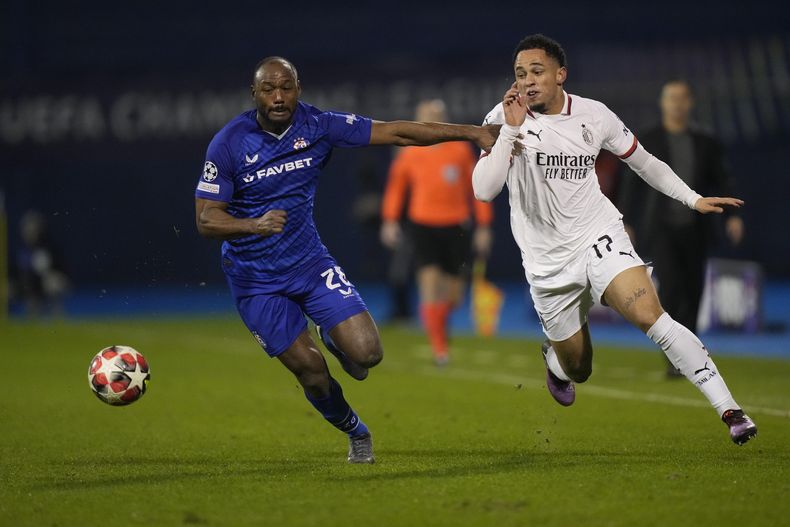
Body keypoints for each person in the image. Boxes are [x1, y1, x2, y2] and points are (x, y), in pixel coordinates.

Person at [194, 57, 497, 463]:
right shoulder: (229, 143)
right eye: (269, 89)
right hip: (255, 280)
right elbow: (206, 219)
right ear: (255, 94)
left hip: (309, 264)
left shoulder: (318, 125)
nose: (279, 97)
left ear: (299, 88)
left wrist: (470, 132)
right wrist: (254, 225)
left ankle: (333, 336)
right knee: (311, 372)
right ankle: (356, 431)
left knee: (368, 354)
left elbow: (398, 133)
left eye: (287, 87)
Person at [472, 35, 757, 445]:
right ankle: (556, 362)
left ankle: (731, 410)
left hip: (598, 234)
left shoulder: (594, 115)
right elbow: (483, 189)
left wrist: (692, 198)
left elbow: (645, 163)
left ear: (560, 75)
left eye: (537, 72)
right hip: (547, 262)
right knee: (580, 368)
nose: (527, 82)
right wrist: (509, 133)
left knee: (651, 316)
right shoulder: (504, 116)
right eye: (520, 74)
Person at [618, 79, 744, 377]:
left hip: (696, 229)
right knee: (672, 290)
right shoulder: (647, 139)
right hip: (661, 229)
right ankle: (676, 360)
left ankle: (690, 352)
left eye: (682, 98)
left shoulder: (706, 142)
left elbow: (722, 180)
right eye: (671, 98)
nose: (676, 103)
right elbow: (630, 185)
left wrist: (733, 217)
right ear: (663, 103)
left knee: (694, 291)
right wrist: (625, 221)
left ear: (690, 103)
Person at [380, 99, 494, 365]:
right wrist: (389, 220)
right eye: (427, 116)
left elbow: (477, 189)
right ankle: (440, 349)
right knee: (429, 285)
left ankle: (438, 328)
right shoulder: (408, 151)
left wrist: (484, 226)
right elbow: (396, 188)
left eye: (437, 116)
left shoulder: (460, 149)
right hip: (423, 226)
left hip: (456, 226)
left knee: (454, 296)